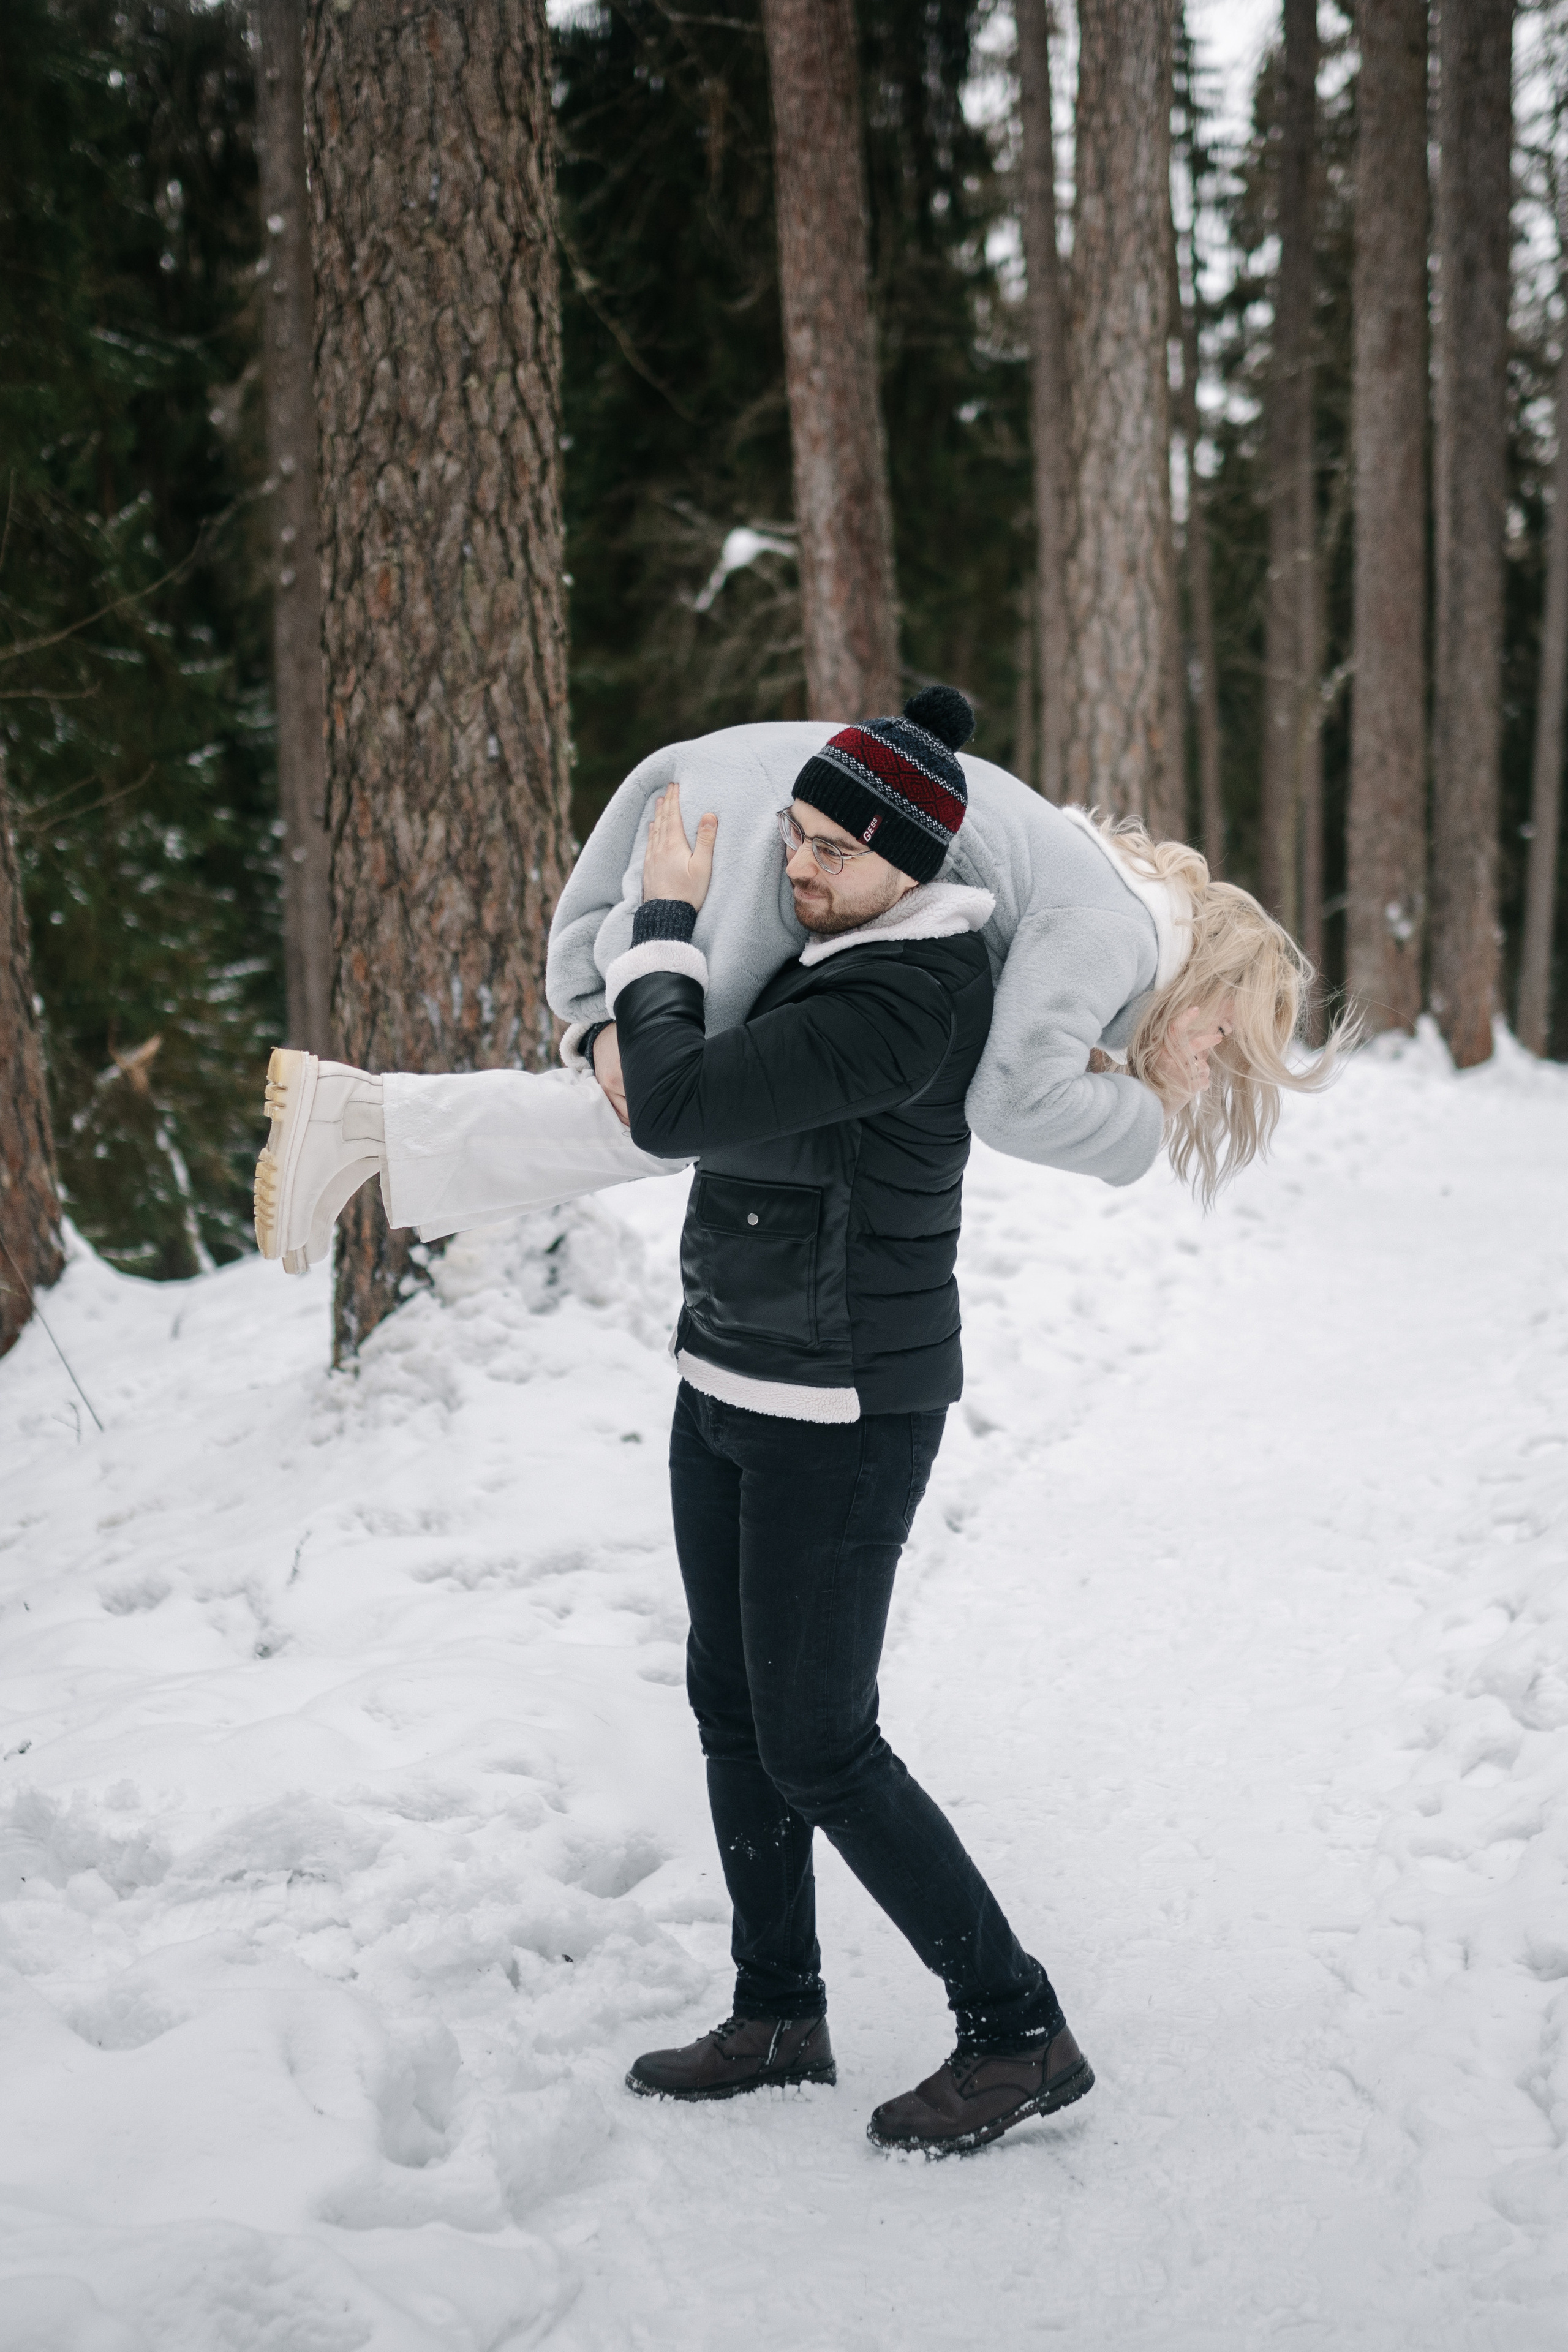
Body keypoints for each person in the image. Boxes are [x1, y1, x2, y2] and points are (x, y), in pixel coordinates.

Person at [251, 688, 1350, 2154]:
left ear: (915, 861)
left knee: (820, 1741)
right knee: (732, 1706)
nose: (796, 868)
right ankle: (777, 2011)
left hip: (840, 1404)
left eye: (831, 847)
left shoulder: (905, 995)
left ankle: (1016, 2029)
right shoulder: (855, 947)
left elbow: (674, 1101)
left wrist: (660, 920)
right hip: (733, 1375)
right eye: (796, 837)